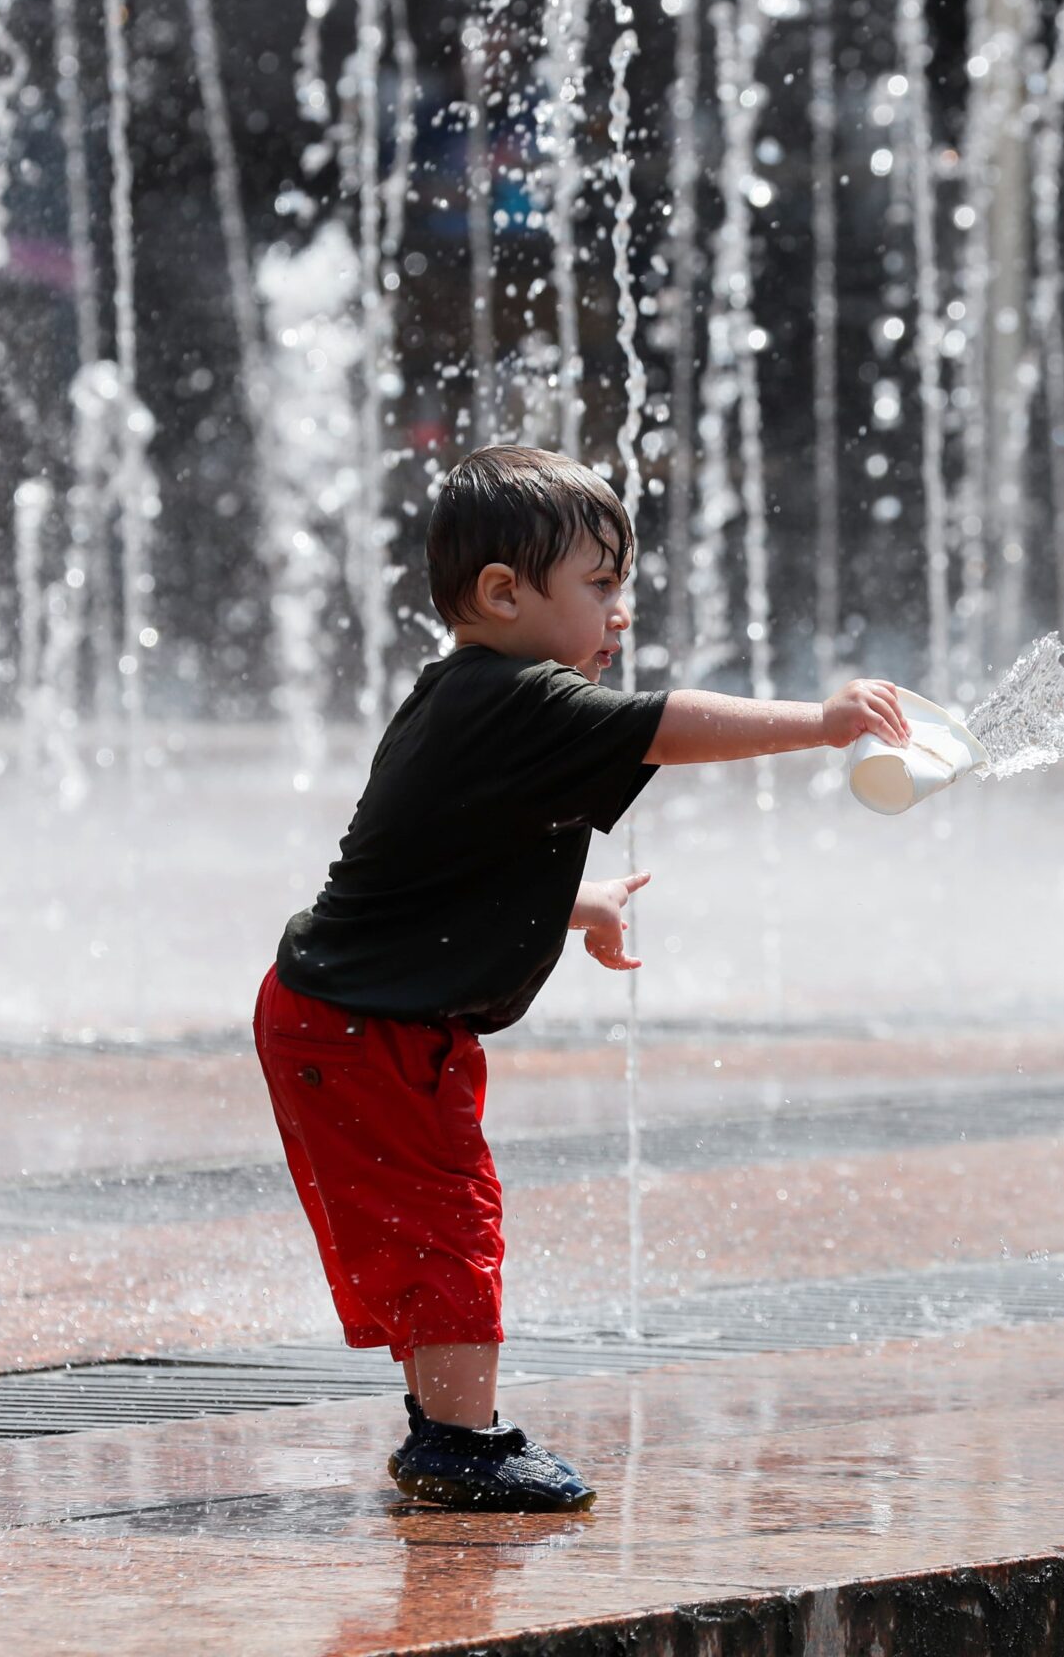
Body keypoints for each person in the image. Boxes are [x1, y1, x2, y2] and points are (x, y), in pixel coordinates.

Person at [254, 444, 909, 1510]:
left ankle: (444, 1423)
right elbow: (668, 723)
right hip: (358, 1026)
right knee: (445, 1222)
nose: (620, 615)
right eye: (600, 587)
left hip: (361, 1019)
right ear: (504, 594)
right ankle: (457, 1443)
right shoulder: (516, 698)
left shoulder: (472, 700)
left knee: (441, 1216)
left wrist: (575, 902)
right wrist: (822, 724)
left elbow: (437, 865)